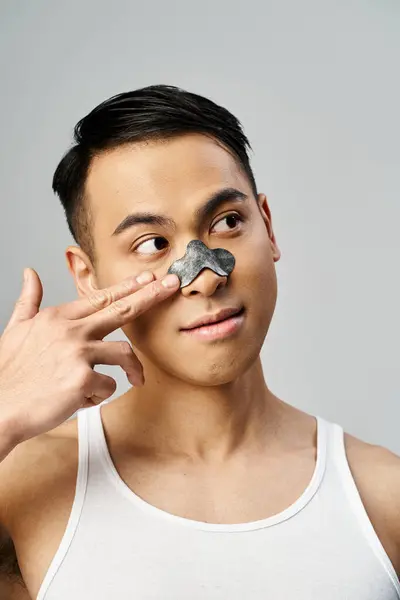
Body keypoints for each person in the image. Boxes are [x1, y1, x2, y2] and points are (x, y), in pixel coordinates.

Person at [0, 84, 399, 600]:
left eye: (227, 223)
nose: (205, 277)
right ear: (88, 277)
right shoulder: (23, 487)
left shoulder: (381, 496)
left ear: (269, 228)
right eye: (152, 244)